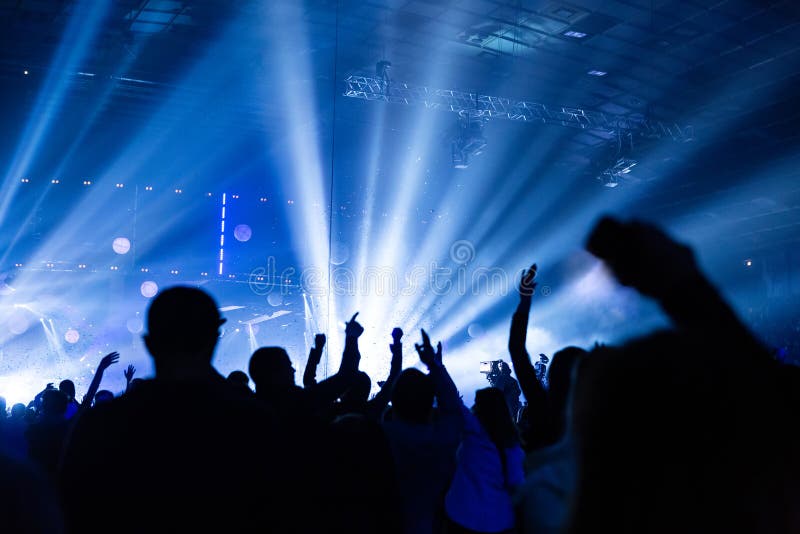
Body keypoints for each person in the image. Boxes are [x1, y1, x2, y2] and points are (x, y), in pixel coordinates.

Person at [60, 286, 285, 533]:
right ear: (214, 337)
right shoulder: (253, 422)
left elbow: (71, 510)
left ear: (149, 342)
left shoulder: (101, 423)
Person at [383, 329, 464, 534]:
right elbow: (453, 406)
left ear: (393, 400)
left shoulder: (380, 436)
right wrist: (434, 365)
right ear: (431, 402)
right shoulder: (444, 439)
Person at [444, 387, 524, 534]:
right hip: (498, 523)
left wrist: (437, 366)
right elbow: (516, 485)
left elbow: (452, 400)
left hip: (461, 516)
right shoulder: (513, 449)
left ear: (481, 410)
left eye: (476, 403)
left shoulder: (472, 435)